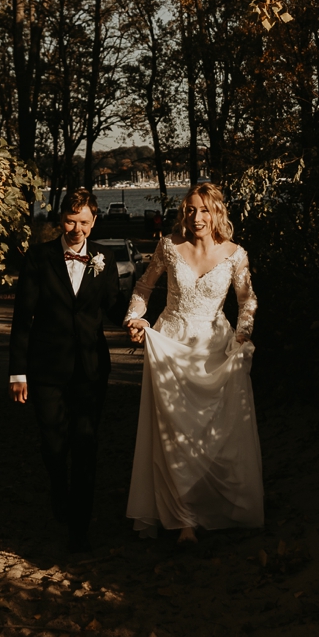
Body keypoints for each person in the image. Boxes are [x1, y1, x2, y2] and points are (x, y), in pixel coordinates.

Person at [123, 183, 264, 543]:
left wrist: (242, 336)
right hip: (170, 342)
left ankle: (209, 507)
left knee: (212, 432)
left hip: (214, 347)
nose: (196, 217)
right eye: (190, 210)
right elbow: (142, 288)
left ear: (217, 211)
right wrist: (134, 319)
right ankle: (182, 519)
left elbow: (246, 301)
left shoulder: (235, 254)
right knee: (173, 433)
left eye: (203, 210)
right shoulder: (169, 247)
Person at [8, 187, 122, 552]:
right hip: (46, 369)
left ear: (94, 221)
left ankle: (79, 528)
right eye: (71, 221)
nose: (77, 229)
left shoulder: (105, 259)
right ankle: (58, 487)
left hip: (90, 369)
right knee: (55, 445)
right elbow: (23, 318)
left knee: (86, 445)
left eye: (84, 222)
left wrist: (140, 321)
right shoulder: (39, 258)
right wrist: (17, 372)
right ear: (61, 220)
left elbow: (116, 308)